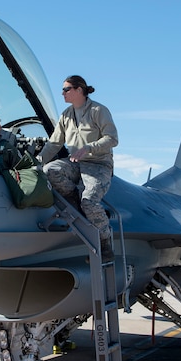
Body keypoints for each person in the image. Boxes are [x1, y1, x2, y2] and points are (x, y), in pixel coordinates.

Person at [40, 75, 119, 252]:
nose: (63, 93)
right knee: (50, 170)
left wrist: (89, 148)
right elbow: (54, 143)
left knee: (90, 201)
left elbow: (112, 138)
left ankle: (105, 241)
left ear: (79, 90)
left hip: (98, 164)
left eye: (66, 89)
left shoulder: (99, 110)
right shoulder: (66, 116)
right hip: (75, 163)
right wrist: (37, 161)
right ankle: (77, 201)